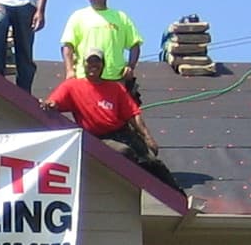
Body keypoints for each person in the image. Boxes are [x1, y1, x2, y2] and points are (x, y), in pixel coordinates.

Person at [45, 50, 182, 192]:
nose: (93, 65)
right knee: (124, 152)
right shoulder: (72, 86)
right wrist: (50, 104)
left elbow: (133, 114)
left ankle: (180, 199)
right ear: (83, 64)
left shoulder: (115, 88)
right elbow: (53, 102)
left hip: (123, 133)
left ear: (103, 65)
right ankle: (136, 192)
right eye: (89, 61)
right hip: (97, 138)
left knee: (153, 162)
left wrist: (147, 137)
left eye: (97, 61)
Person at [60, 0, 142, 84]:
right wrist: (69, 70)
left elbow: (135, 44)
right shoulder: (78, 16)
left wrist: (130, 67)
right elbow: (67, 45)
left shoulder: (121, 17)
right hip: (86, 77)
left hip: (115, 78)